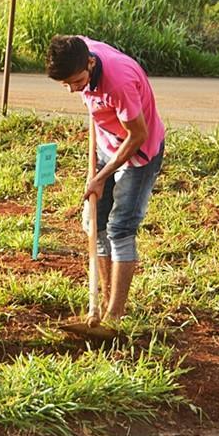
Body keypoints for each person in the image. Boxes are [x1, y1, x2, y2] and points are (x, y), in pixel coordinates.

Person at [46, 35, 165, 326]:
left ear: (90, 63)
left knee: (120, 228)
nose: (74, 90)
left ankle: (114, 316)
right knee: (94, 224)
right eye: (67, 85)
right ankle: (101, 304)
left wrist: (100, 176)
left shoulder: (118, 83)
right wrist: (97, 171)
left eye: (77, 82)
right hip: (107, 144)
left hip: (138, 154)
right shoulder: (80, 51)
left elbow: (138, 135)